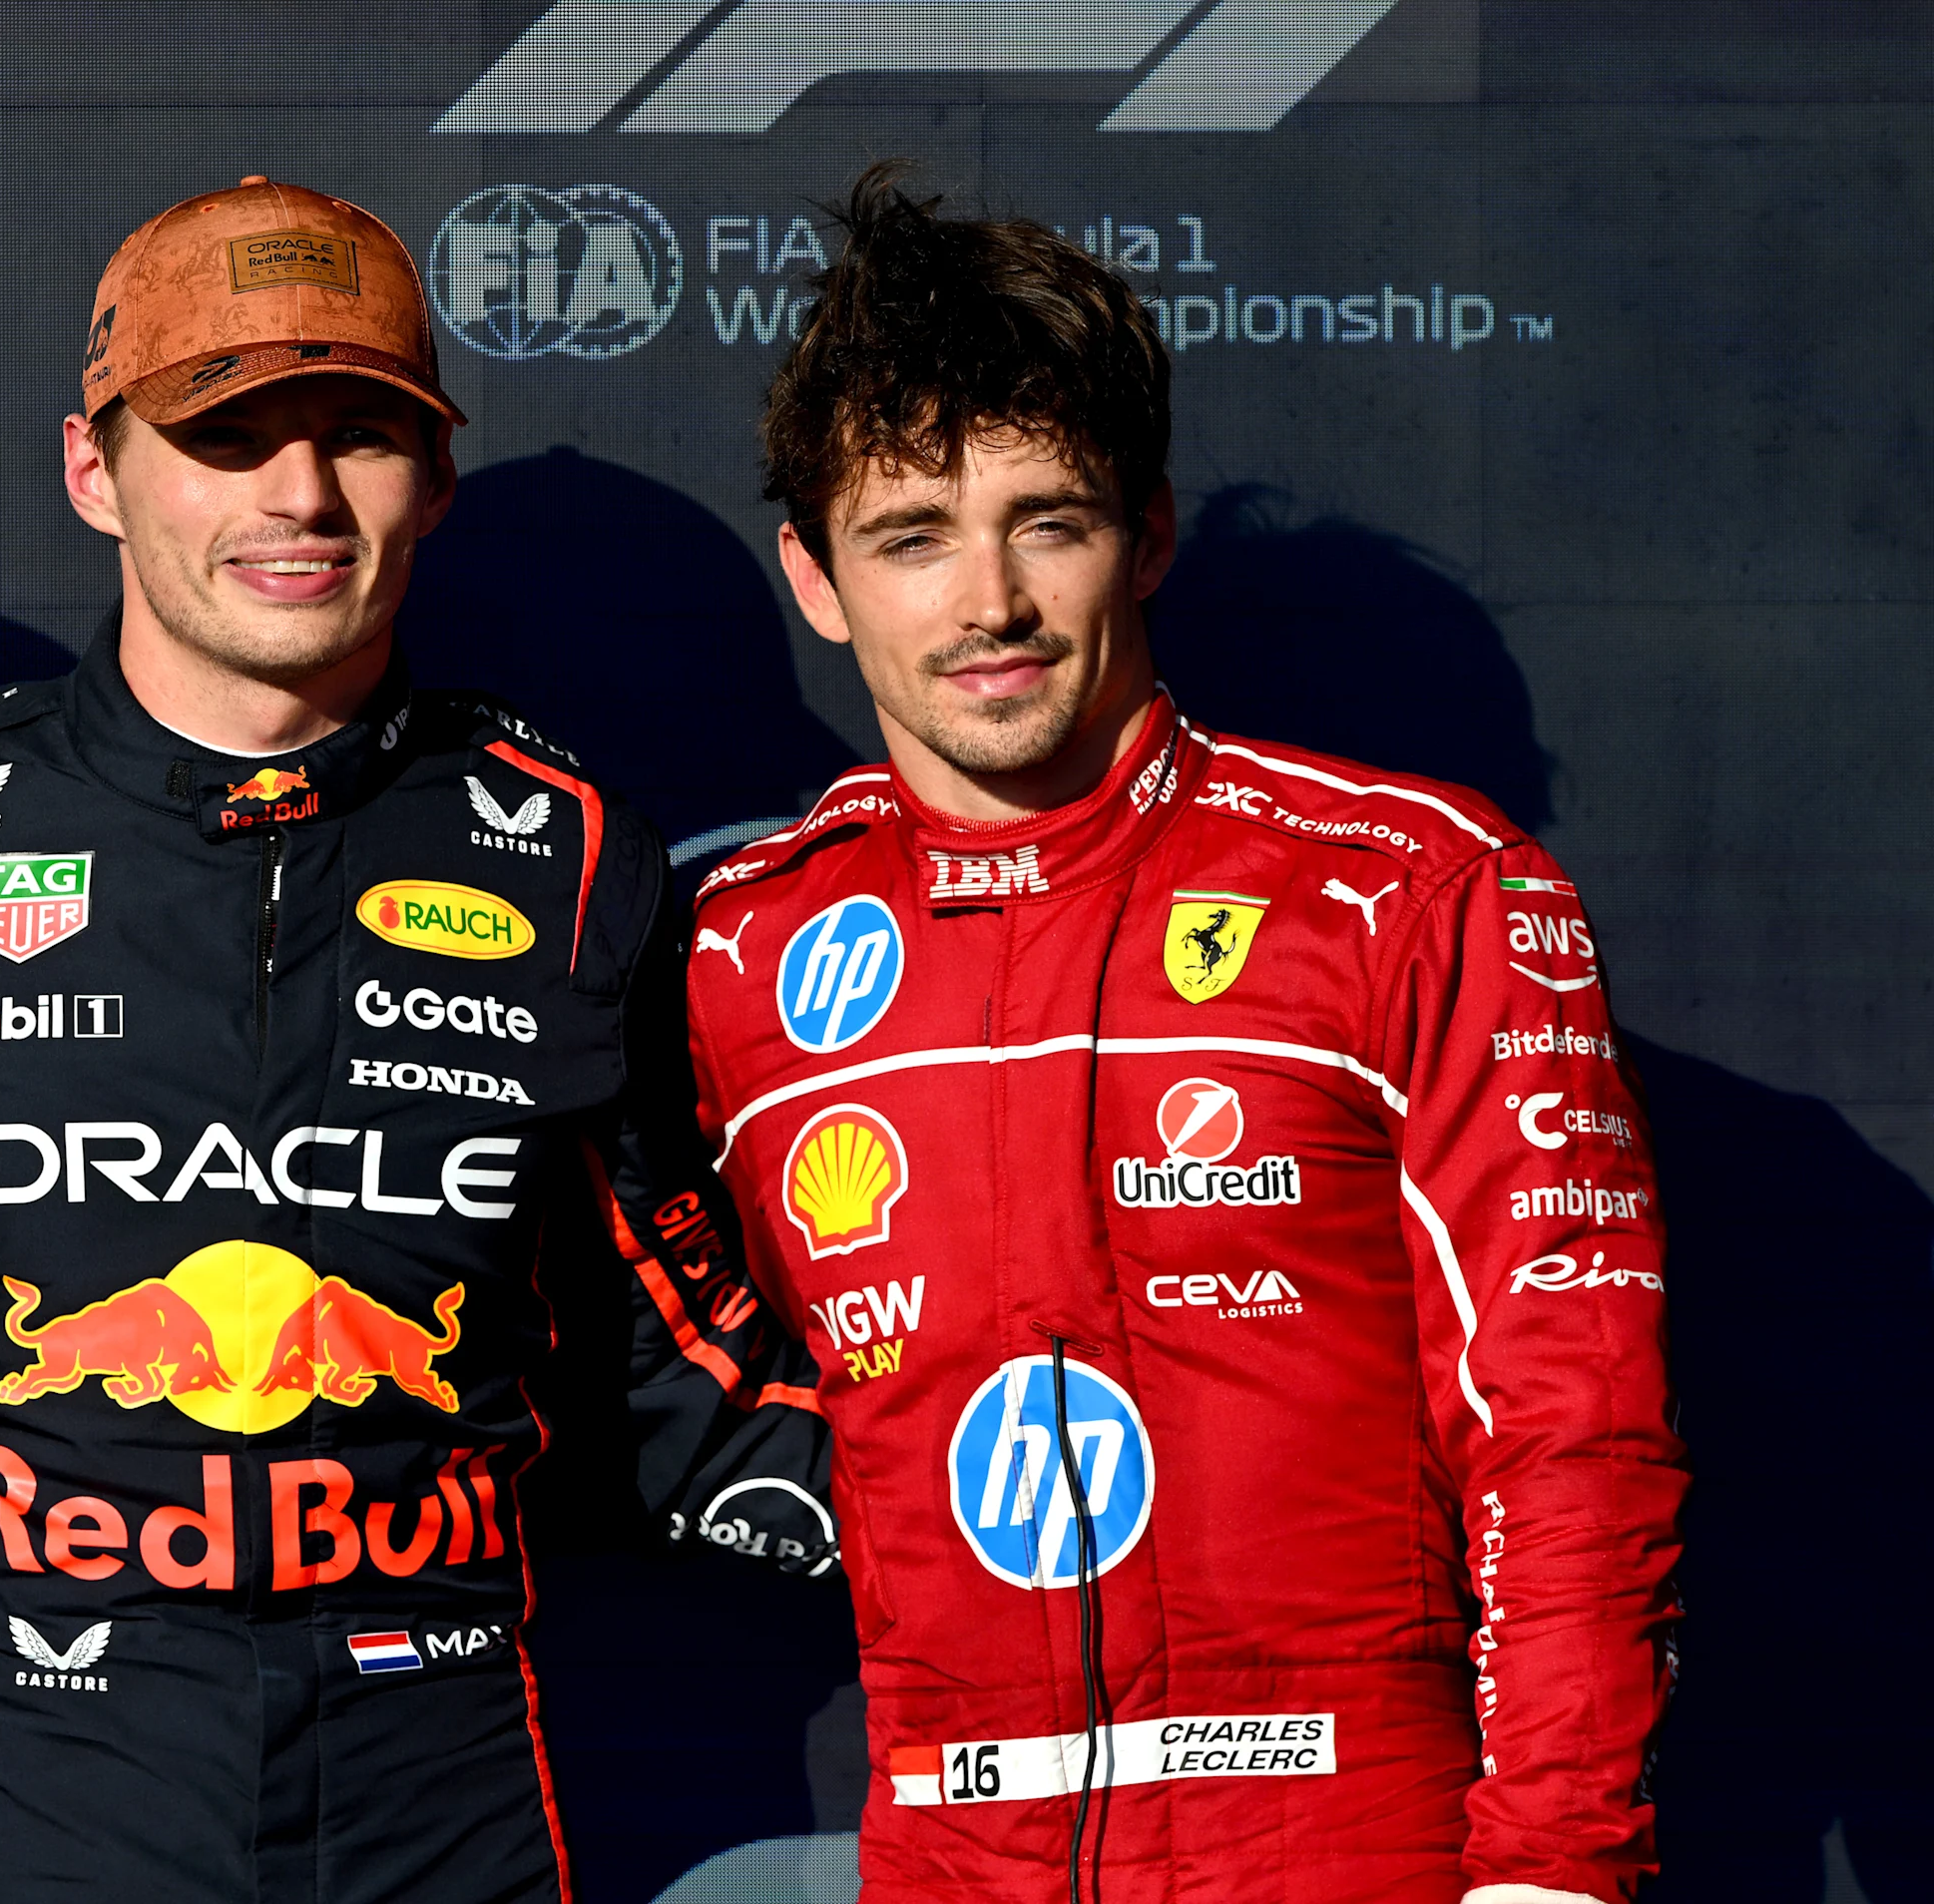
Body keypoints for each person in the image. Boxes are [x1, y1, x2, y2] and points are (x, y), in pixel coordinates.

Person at [0, 177, 834, 1904]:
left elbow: (672, 1364)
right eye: (230, 431)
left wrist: (1083, 1502)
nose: (301, 495)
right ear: (95, 470)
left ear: (437, 479)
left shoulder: (564, 850)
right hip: (22, 1835)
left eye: (362, 434)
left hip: (446, 1831)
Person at [685, 167, 1685, 1903]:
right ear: (815, 580)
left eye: (1045, 521)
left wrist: (1552, 1867)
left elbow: (1569, 1422)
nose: (984, 600)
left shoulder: (1413, 891)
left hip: (1349, 1836)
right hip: (950, 1847)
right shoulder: (739, 948)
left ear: (1146, 535)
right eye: (911, 536)